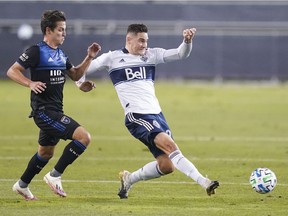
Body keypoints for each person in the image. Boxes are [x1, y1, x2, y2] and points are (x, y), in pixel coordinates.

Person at [76, 24, 219, 199]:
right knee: (170, 146)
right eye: (141, 40)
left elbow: (181, 53)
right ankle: (204, 182)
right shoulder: (112, 58)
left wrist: (186, 41)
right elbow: (79, 72)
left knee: (167, 166)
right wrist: (80, 84)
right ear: (129, 39)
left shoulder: (152, 55)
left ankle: (129, 178)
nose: (145, 45)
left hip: (157, 115)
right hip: (136, 116)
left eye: (146, 41)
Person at [7, 10, 101, 201]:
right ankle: (55, 175)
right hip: (43, 112)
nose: (64, 33)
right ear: (48, 30)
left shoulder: (60, 54)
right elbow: (12, 71)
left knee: (46, 152)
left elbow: (74, 75)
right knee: (84, 137)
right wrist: (30, 83)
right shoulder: (36, 51)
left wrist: (89, 58)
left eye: (65, 30)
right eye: (60, 30)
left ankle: (22, 185)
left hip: (55, 111)